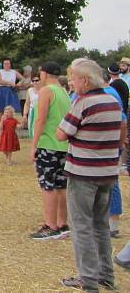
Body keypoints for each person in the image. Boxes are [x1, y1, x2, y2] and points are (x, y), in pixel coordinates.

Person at [58, 58, 124, 292]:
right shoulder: (112, 101)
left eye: (74, 79)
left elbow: (62, 133)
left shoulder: (83, 103)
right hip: (107, 172)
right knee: (100, 226)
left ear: (85, 80)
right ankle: (106, 275)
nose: (72, 83)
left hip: (83, 173)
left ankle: (88, 280)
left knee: (82, 227)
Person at [28, 61, 72, 240]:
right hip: (63, 145)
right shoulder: (63, 91)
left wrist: (34, 145)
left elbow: (41, 119)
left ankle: (50, 224)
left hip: (48, 144)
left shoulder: (46, 91)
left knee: (48, 185)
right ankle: (62, 223)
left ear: (44, 74)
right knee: (61, 185)